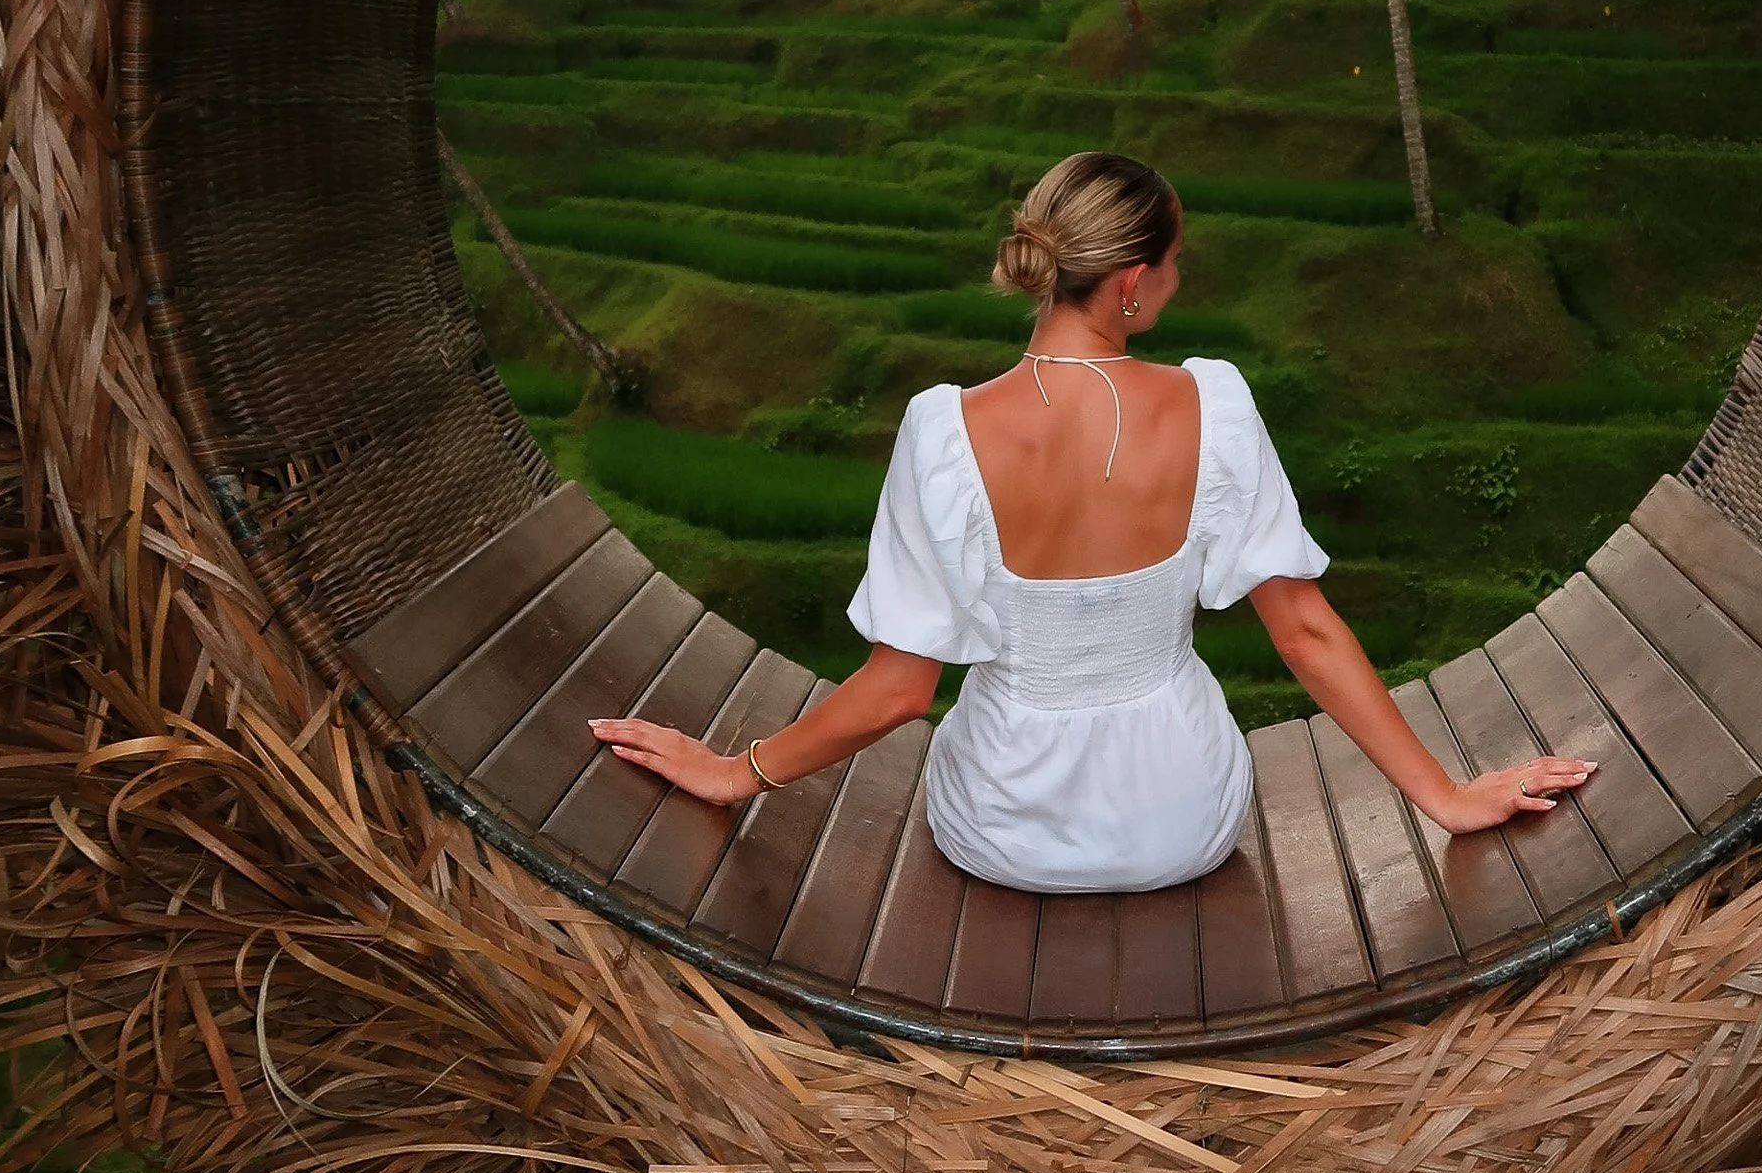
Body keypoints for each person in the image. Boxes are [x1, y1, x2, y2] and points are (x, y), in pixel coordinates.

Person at [592, 153, 1592, 894]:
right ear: (1128, 284)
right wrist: (1448, 801)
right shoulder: (1217, 407)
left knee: (955, 750)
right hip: (1185, 819)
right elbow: (1305, 631)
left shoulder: (945, 431)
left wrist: (735, 772)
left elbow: (899, 692)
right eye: (1173, 261)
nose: (1176, 279)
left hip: (1005, 830)